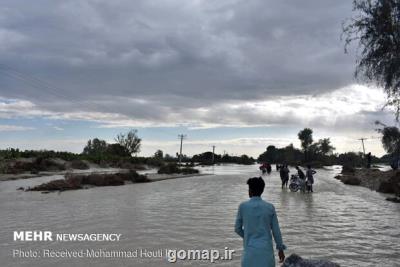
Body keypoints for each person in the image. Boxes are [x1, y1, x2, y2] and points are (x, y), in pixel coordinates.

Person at [235, 177, 286, 267]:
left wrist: (248, 236)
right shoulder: (270, 207)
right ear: (262, 190)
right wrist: (280, 249)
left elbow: (237, 229)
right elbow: (276, 231)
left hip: (249, 254)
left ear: (250, 190)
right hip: (266, 254)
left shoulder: (243, 207)